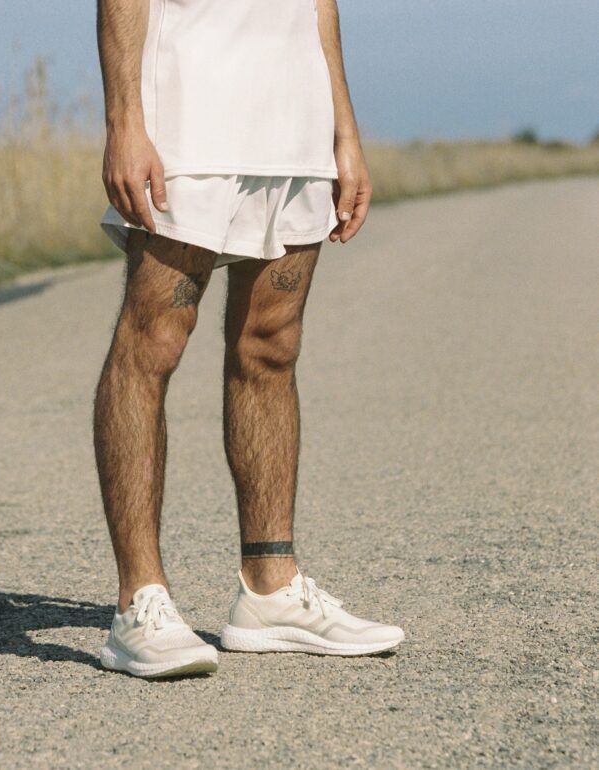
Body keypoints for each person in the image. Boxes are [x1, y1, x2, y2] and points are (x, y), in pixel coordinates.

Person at [93, 0, 404, 678]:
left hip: (296, 119)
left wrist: (343, 128)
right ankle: (138, 603)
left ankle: (270, 591)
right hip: (188, 116)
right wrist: (124, 119)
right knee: (154, 342)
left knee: (272, 344)